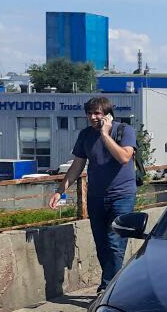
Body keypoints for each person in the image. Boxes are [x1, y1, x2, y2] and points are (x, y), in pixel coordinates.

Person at [59, 97, 138, 295]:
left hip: (122, 195)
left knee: (115, 242)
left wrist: (105, 134)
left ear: (108, 114)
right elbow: (77, 166)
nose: (93, 117)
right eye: (90, 114)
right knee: (102, 244)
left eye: (97, 113)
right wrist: (60, 191)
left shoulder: (124, 131)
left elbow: (124, 157)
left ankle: (107, 287)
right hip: (96, 196)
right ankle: (115, 284)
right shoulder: (85, 135)